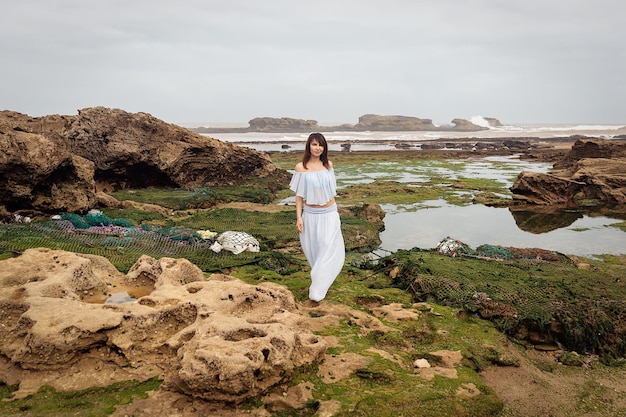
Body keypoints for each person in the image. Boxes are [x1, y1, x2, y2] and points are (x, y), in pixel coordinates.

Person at [289, 133, 345, 303]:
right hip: (311, 215)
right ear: (309, 146)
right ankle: (320, 282)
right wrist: (299, 217)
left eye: (320, 145)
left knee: (329, 248)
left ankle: (318, 287)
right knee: (316, 250)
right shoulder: (301, 167)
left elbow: (330, 189)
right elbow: (299, 196)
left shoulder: (328, 165)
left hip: (329, 213)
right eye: (314, 144)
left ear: (324, 147)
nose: (317, 148)